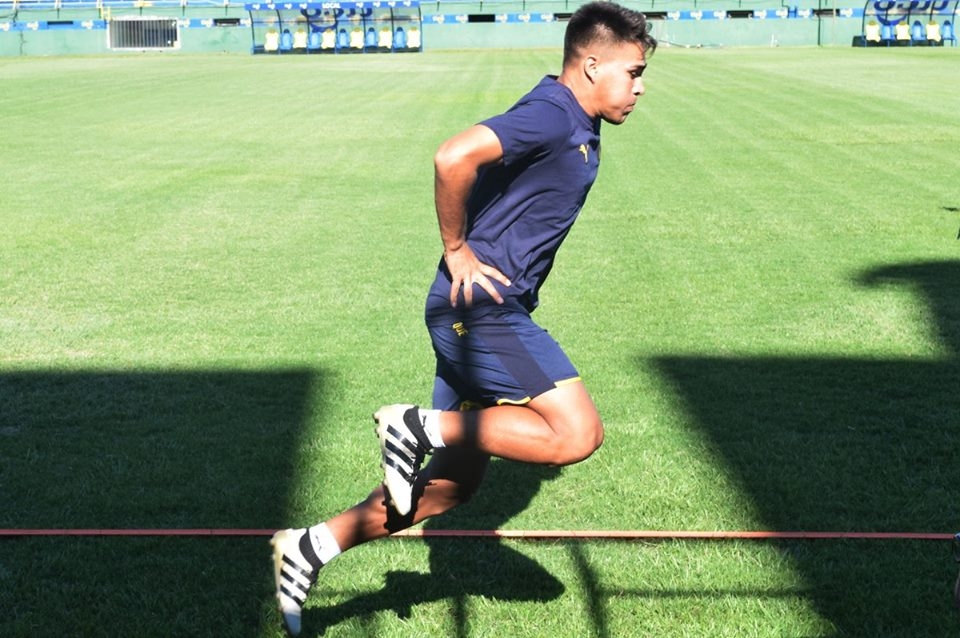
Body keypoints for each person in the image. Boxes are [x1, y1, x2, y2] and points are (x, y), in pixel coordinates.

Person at [271, 3, 656, 634]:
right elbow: (453, 157)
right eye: (633, 72)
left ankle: (309, 548)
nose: (640, 87)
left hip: (481, 310)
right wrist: (456, 249)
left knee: (449, 489)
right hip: (480, 311)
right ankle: (414, 427)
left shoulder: (575, 117)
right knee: (576, 434)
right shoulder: (553, 114)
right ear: (591, 64)